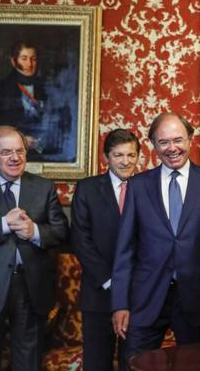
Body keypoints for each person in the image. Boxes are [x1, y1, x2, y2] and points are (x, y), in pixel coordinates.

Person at [111, 114, 200, 370]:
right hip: (145, 298)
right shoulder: (138, 185)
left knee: (196, 366)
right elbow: (125, 249)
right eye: (163, 142)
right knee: (133, 365)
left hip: (197, 298)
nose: (172, 148)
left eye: (178, 140)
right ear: (153, 144)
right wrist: (120, 303)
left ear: (190, 139)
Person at [0, 125, 69, 371]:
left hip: (30, 286)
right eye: (6, 151)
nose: (15, 157)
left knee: (28, 360)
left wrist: (36, 232)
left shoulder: (43, 187)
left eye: (20, 151)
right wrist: (3, 224)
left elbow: (62, 231)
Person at [71, 129, 140, 371]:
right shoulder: (87, 189)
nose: (125, 161)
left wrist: (130, 283)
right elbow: (81, 241)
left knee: (132, 364)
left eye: (131, 155)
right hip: (98, 293)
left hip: (138, 295)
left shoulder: (148, 187)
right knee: (97, 363)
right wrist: (111, 281)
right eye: (118, 155)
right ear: (106, 158)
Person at [0, 41, 70, 161]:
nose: (29, 64)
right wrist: (20, 140)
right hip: (9, 157)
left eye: (33, 59)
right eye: (24, 58)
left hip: (45, 155)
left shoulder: (47, 88)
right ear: (13, 61)